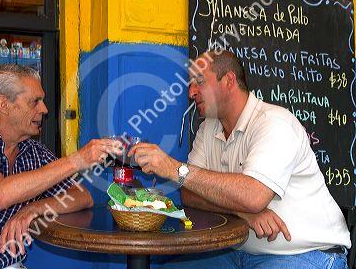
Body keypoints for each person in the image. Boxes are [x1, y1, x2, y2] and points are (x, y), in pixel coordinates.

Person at [129, 50, 350, 268]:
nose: (191, 92)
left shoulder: (274, 122)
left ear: (229, 80)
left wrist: (174, 169)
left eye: (199, 81)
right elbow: (188, 194)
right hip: (238, 253)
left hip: (307, 253)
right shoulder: (208, 129)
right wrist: (242, 213)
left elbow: (253, 196)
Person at [0, 65, 121, 269]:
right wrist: (78, 160)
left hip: (1, 264)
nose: (44, 109)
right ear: (3, 104)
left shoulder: (35, 152)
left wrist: (34, 208)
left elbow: (83, 197)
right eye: (35, 101)